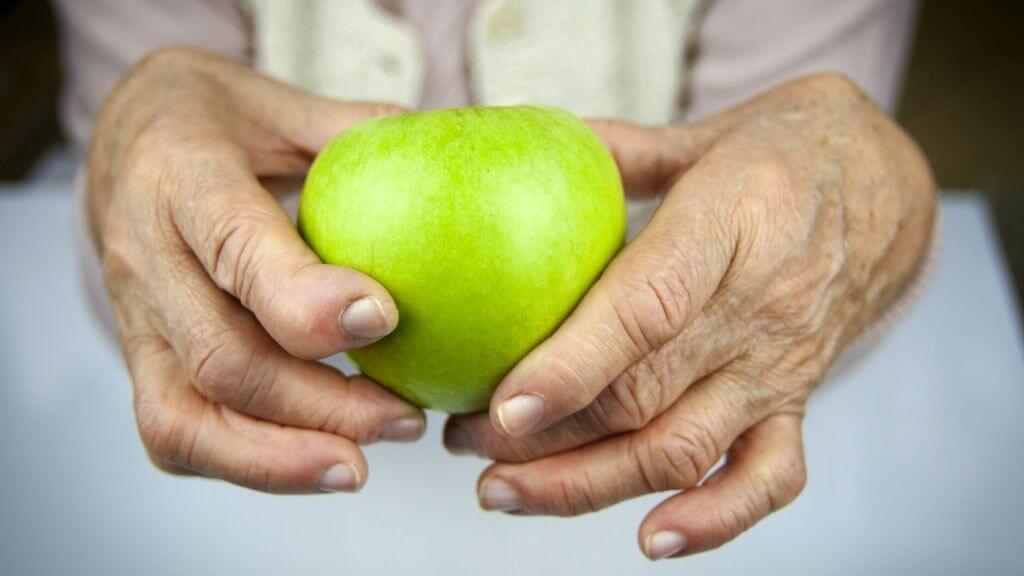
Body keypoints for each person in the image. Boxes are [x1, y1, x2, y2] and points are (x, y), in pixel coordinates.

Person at [55, 0, 937, 562]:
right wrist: (127, 168)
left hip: (671, 498)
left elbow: (794, 249)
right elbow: (147, 258)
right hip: (266, 530)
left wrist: (860, 205)